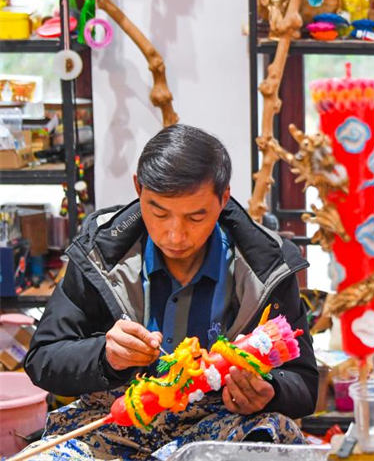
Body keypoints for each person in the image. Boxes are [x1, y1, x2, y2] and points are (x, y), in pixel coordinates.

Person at [21, 124, 318, 460]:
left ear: (223, 199)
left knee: (276, 439)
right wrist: (105, 356)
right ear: (138, 188)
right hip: (118, 419)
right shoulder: (100, 254)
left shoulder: (265, 264)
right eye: (158, 212)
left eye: (195, 217)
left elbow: (305, 384)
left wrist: (271, 390)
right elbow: (43, 359)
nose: (175, 235)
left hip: (219, 423)